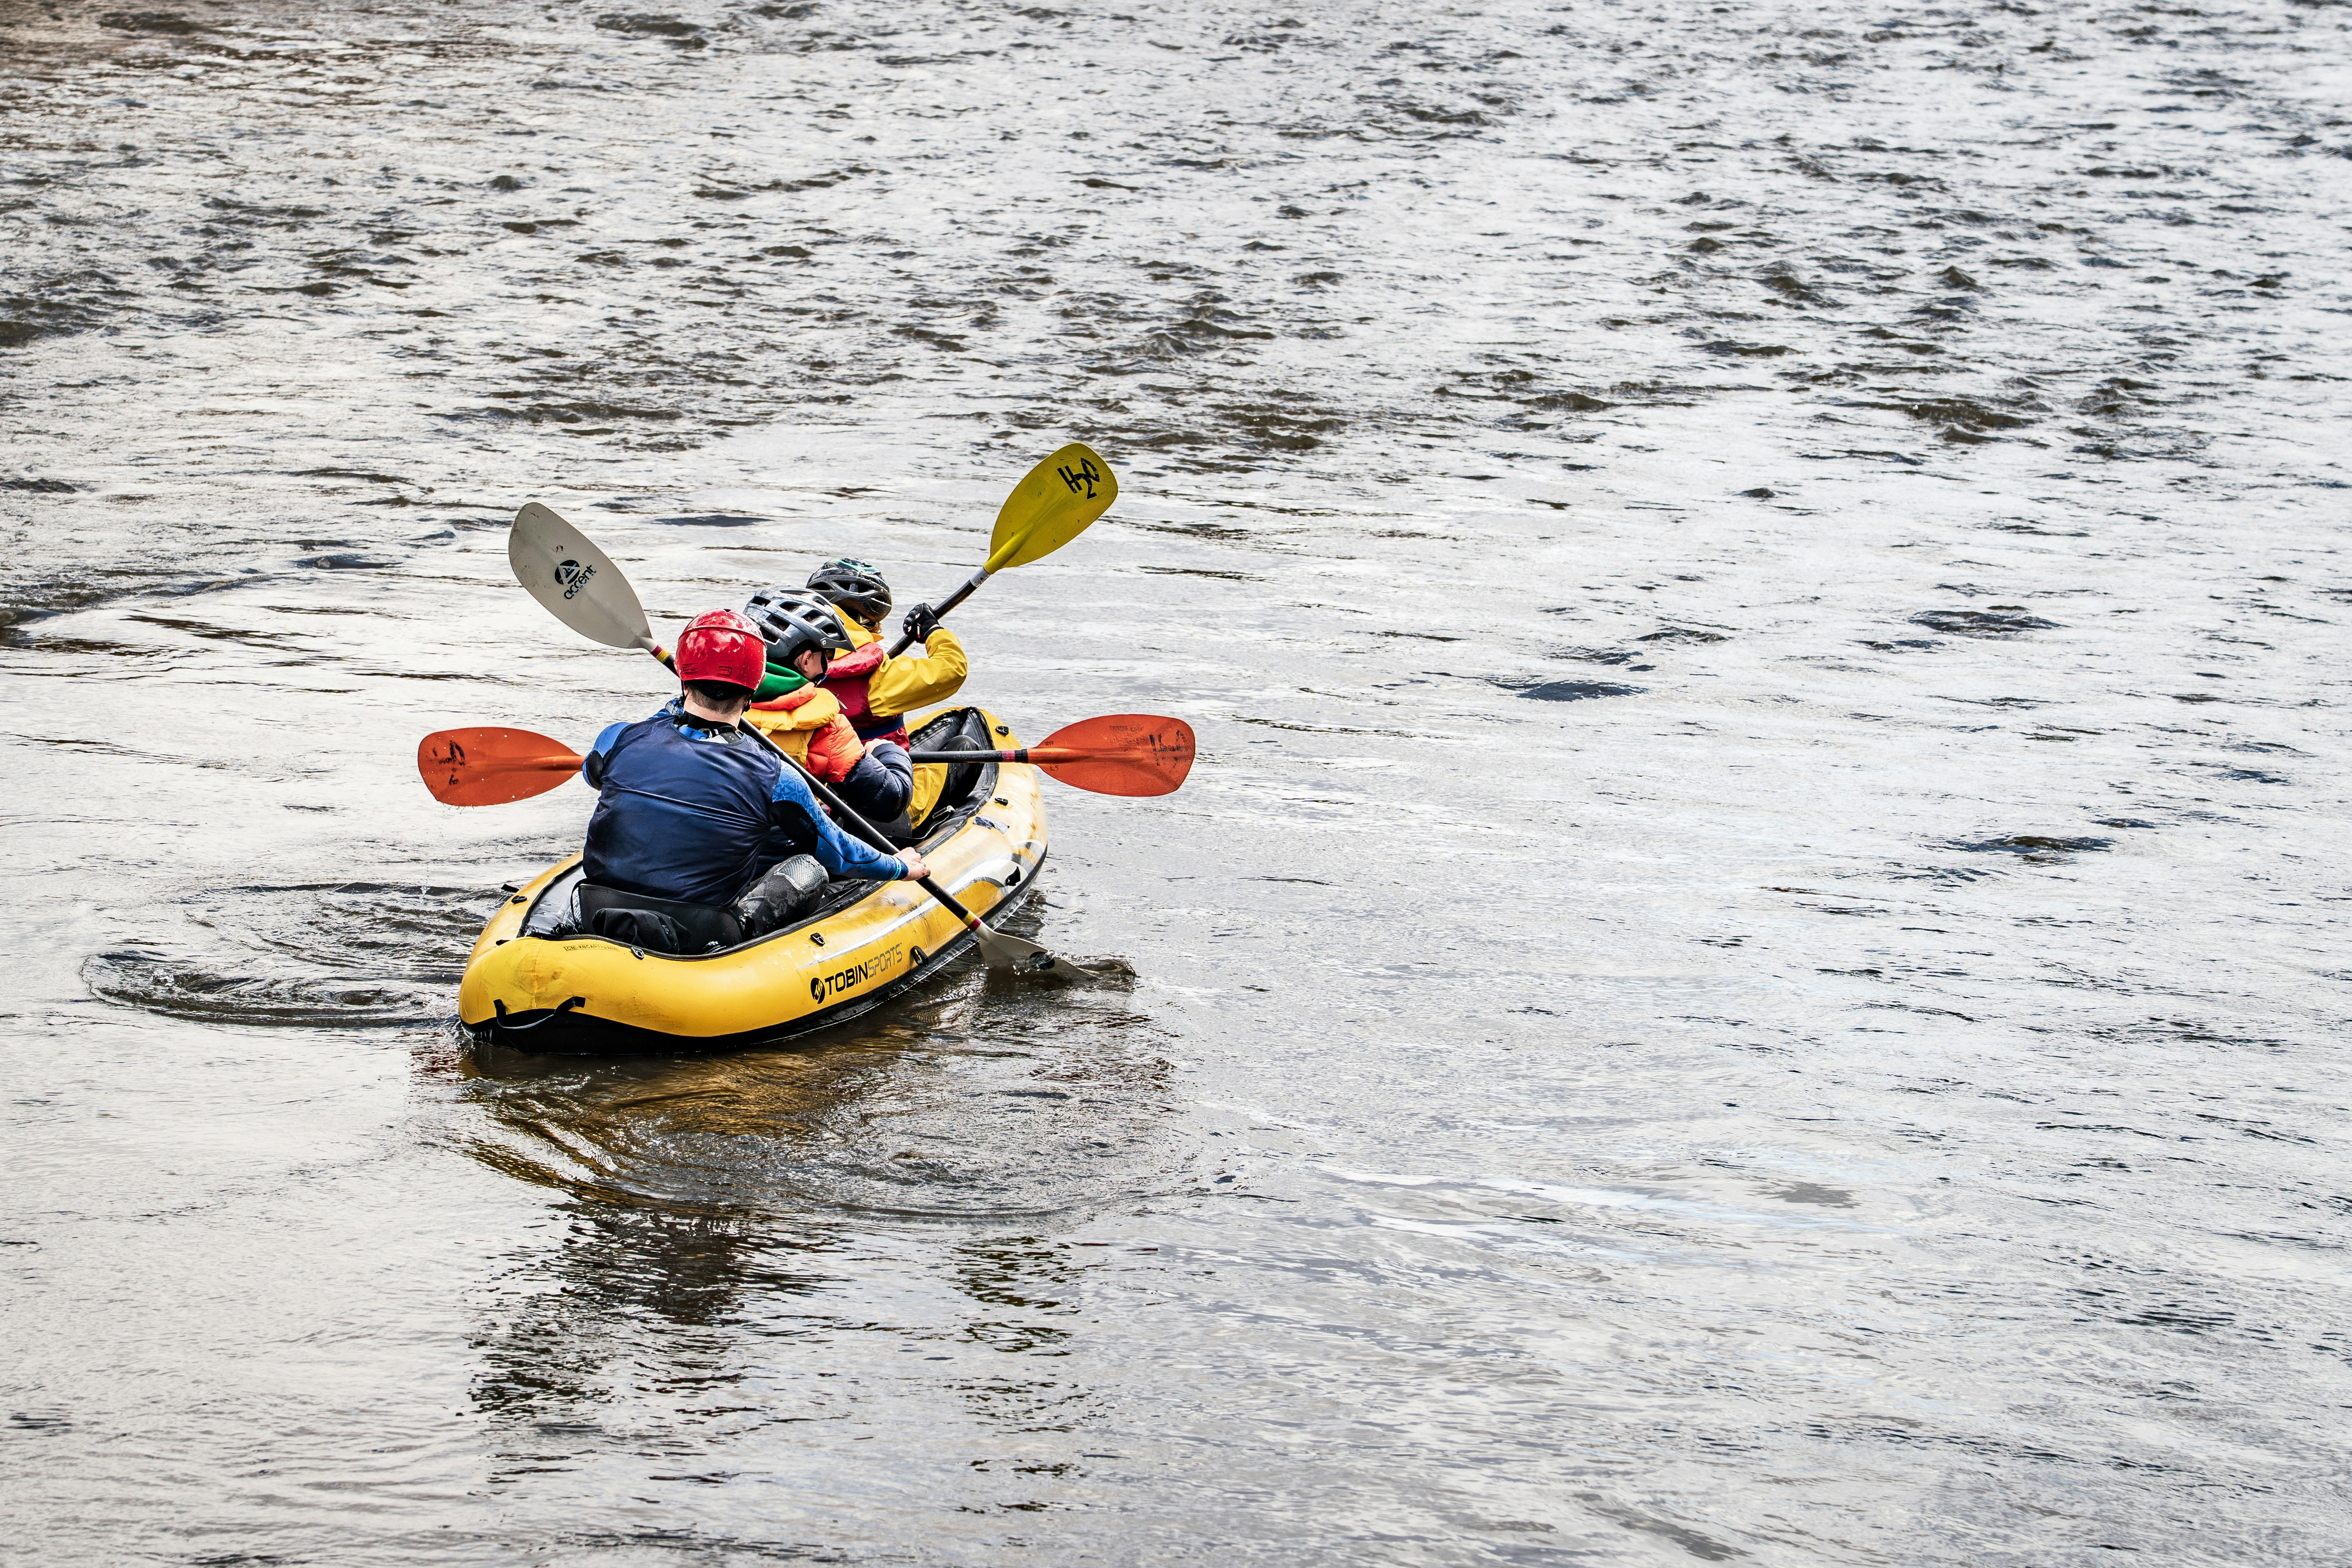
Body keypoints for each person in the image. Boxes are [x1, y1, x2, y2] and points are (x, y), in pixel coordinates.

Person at [576, 608, 927, 951]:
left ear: (683, 675)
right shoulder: (777, 777)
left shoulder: (616, 739)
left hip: (599, 913)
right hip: (702, 936)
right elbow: (839, 853)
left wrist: (675, 710)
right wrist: (900, 866)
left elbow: (595, 776)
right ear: (756, 685)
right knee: (811, 868)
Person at [739, 586, 915, 831]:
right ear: (807, 659)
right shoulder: (828, 728)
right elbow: (890, 801)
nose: (827, 665)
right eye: (826, 655)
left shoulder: (705, 703)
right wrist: (888, 752)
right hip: (788, 848)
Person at [804, 558, 967, 749]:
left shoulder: (784, 660)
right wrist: (932, 630)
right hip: (873, 771)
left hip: (805, 766)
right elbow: (953, 669)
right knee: (965, 744)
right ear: (867, 623)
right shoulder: (880, 677)